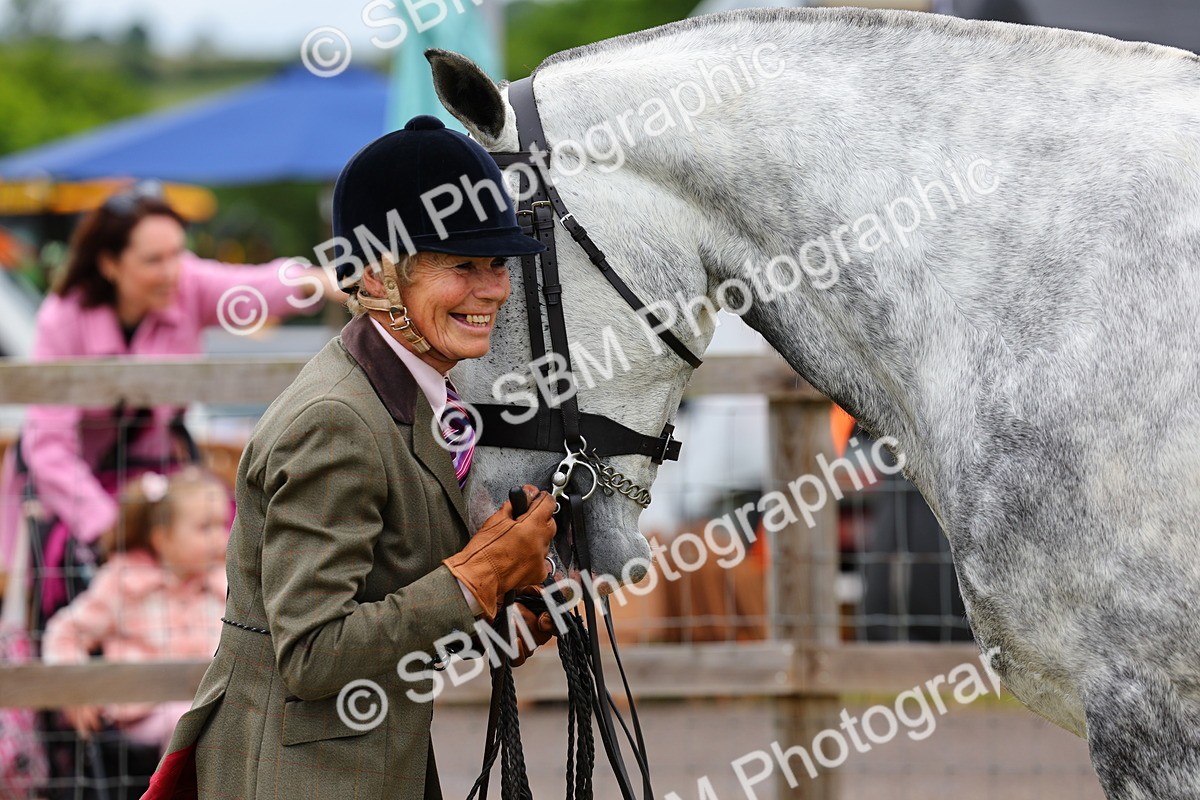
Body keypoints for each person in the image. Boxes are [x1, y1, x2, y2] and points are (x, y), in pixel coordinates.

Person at [142, 115, 559, 800]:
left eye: (496, 264)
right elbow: (314, 653)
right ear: (374, 273)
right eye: (462, 265)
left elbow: (384, 611)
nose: (494, 290)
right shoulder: (336, 422)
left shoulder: (411, 394)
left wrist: (496, 623)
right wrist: (471, 579)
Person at [0, 181, 338, 624]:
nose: (172, 270)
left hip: (158, 478)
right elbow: (50, 449)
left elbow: (256, 287)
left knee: (236, 546)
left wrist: (322, 281)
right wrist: (112, 528)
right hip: (73, 493)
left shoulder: (185, 282)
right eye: (153, 260)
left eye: (179, 252)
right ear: (109, 263)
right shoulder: (63, 317)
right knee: (86, 599)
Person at [42, 468, 230, 752]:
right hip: (146, 712)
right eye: (205, 527)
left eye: (223, 525)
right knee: (188, 720)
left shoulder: (224, 581)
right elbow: (65, 632)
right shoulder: (125, 581)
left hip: (212, 703)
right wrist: (75, 689)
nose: (220, 538)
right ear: (162, 538)